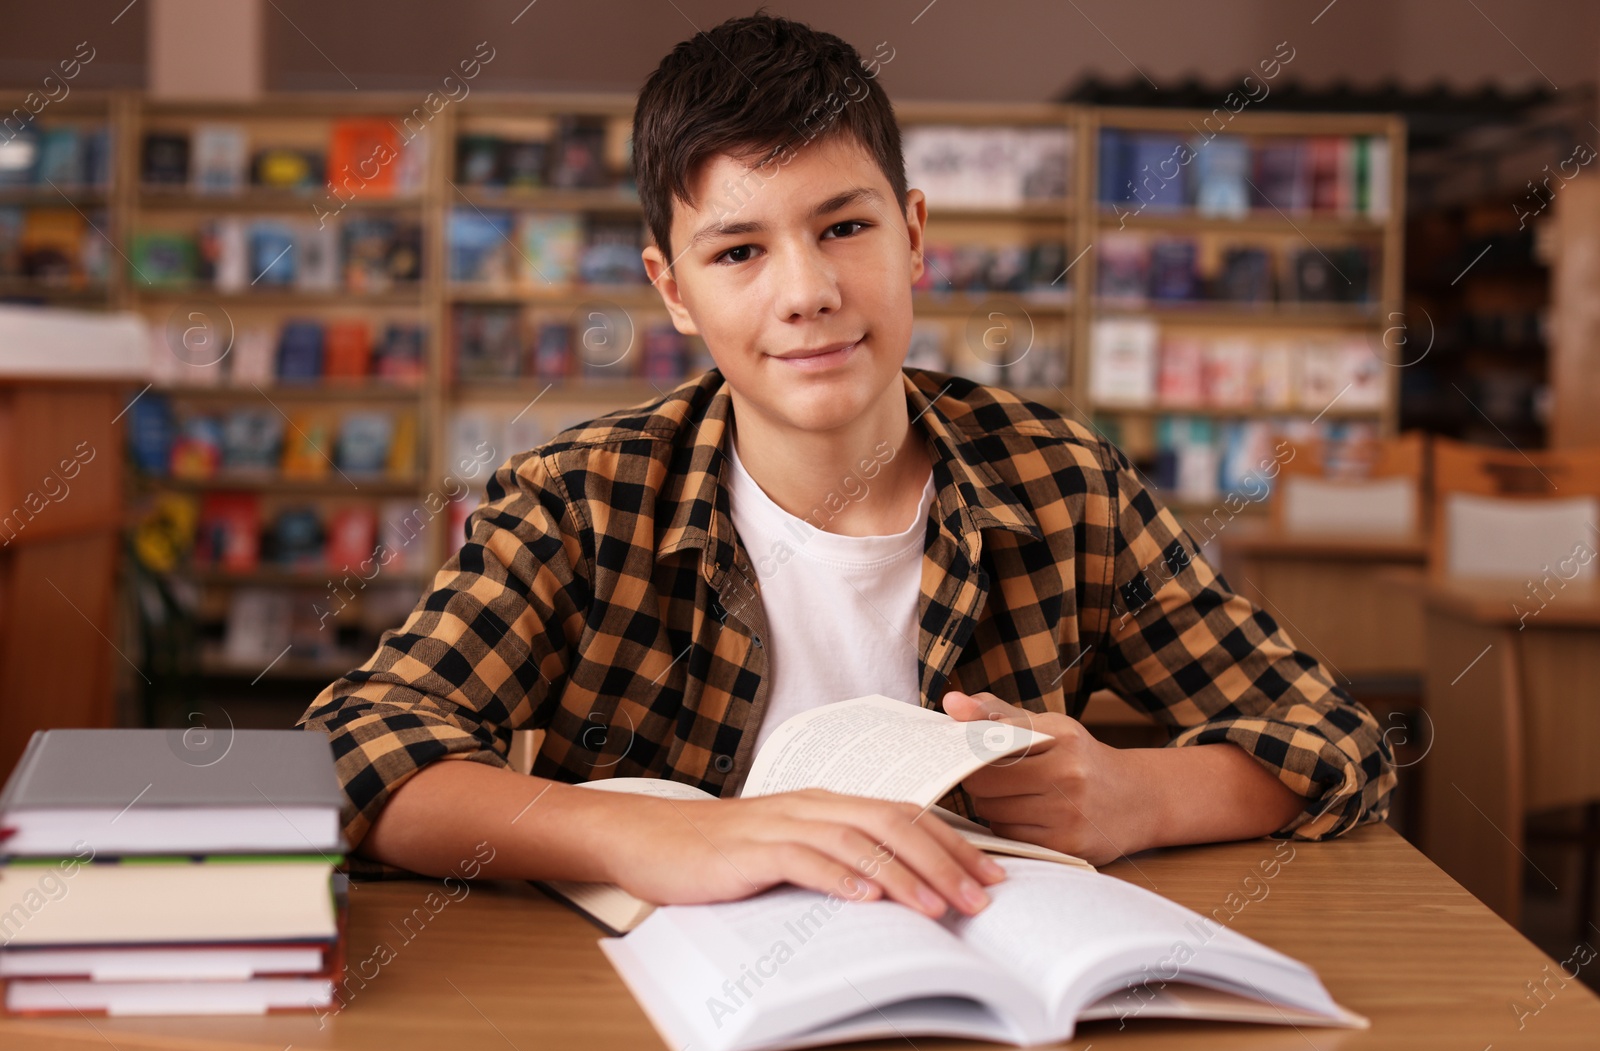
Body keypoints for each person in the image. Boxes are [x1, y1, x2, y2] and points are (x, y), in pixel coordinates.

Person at [295, 12, 1394, 922]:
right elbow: (347, 752)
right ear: (672, 289)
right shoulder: (577, 504)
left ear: (913, 236)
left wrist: (1137, 793)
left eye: (843, 227)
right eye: (738, 251)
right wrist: (646, 832)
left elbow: (1336, 741)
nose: (806, 291)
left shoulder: (1066, 485)